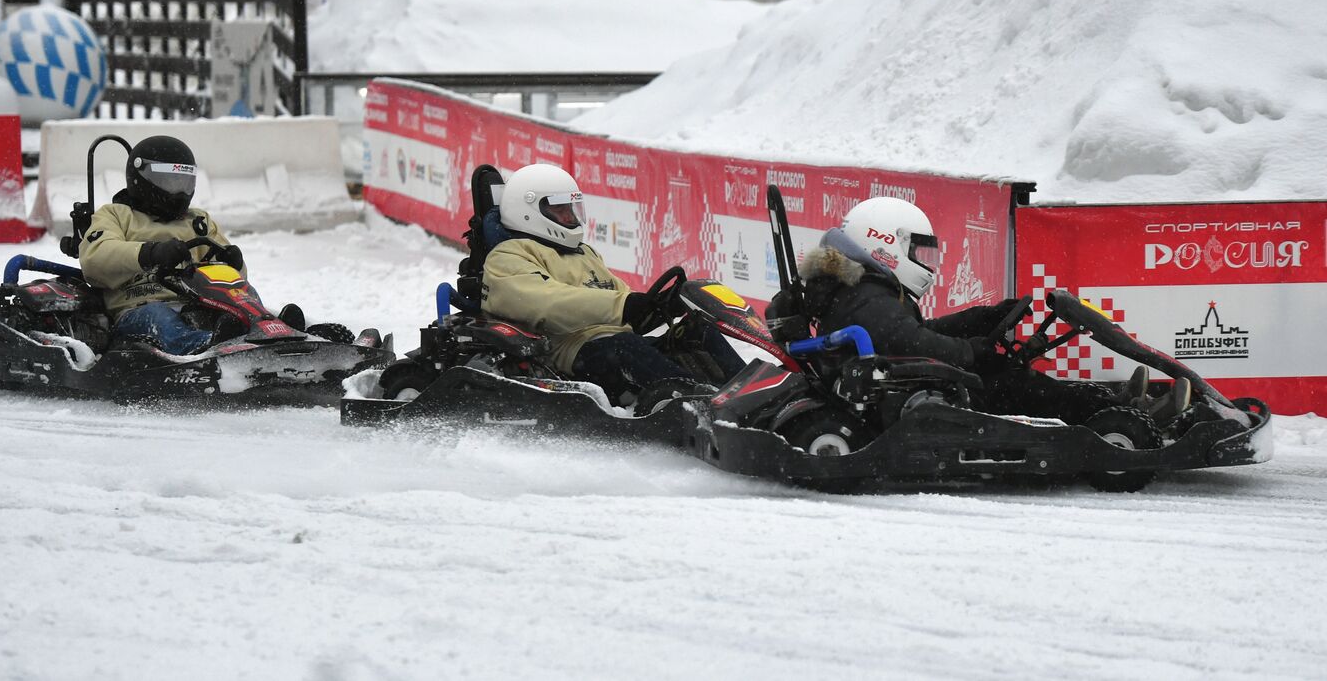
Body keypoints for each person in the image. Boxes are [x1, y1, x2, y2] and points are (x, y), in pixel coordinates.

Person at [769, 197, 1186, 424]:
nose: (922, 258)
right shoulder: (866, 296)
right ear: (886, 244)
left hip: (899, 379)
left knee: (1012, 376)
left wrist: (978, 319)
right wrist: (973, 351)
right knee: (1014, 383)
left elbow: (903, 333)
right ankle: (1118, 416)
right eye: (915, 248)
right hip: (907, 392)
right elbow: (907, 342)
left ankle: (1111, 402)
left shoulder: (858, 290)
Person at [480, 163, 744, 403]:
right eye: (560, 209)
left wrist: (659, 306)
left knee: (696, 332)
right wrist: (624, 305)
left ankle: (749, 395)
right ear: (528, 212)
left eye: (571, 207)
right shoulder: (507, 256)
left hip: (618, 345)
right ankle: (700, 406)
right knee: (625, 347)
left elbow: (623, 301)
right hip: (570, 352)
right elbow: (547, 302)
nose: (569, 216)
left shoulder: (583, 252)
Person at [80, 135, 292, 355]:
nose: (178, 192)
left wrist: (234, 263)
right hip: (140, 308)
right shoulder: (116, 215)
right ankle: (204, 349)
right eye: (170, 183)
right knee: (160, 318)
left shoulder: (198, 220)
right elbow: (95, 258)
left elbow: (234, 281)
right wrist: (150, 253)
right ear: (142, 179)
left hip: (200, 304)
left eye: (183, 183)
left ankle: (276, 333)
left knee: (238, 308)